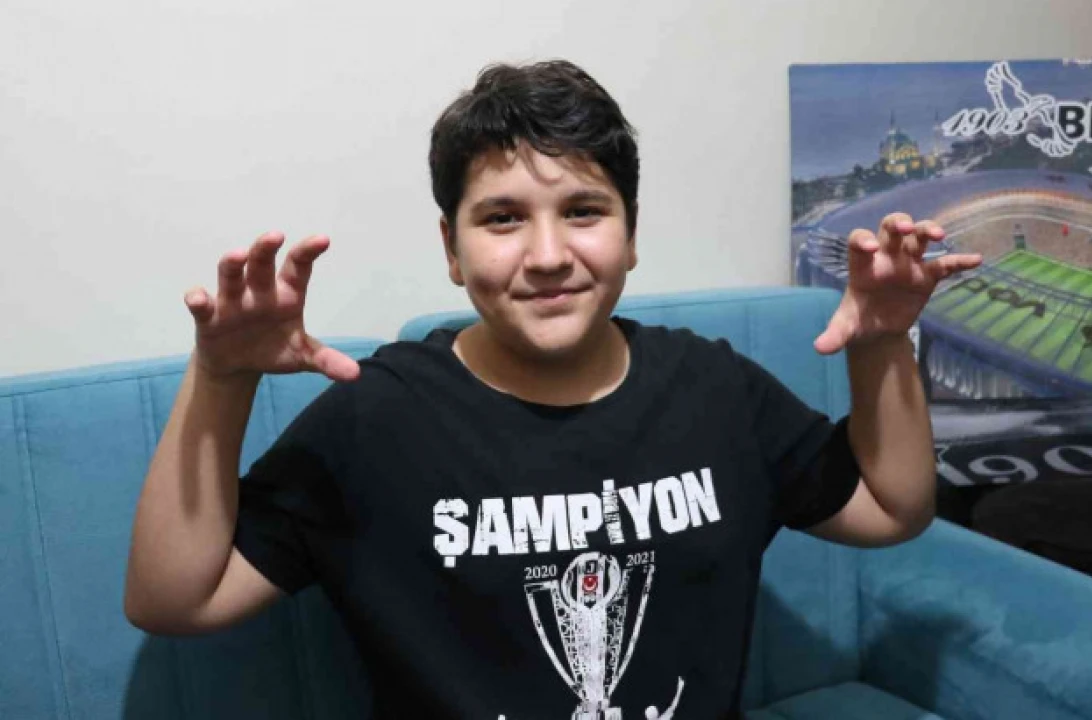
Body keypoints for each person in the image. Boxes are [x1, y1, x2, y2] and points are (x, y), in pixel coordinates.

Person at [123, 59, 982, 719]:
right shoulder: (378, 417)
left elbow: (892, 509)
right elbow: (173, 599)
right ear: (452, 249)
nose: (545, 256)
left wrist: (882, 342)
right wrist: (222, 377)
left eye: (583, 211)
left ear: (631, 234)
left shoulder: (713, 388)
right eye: (501, 219)